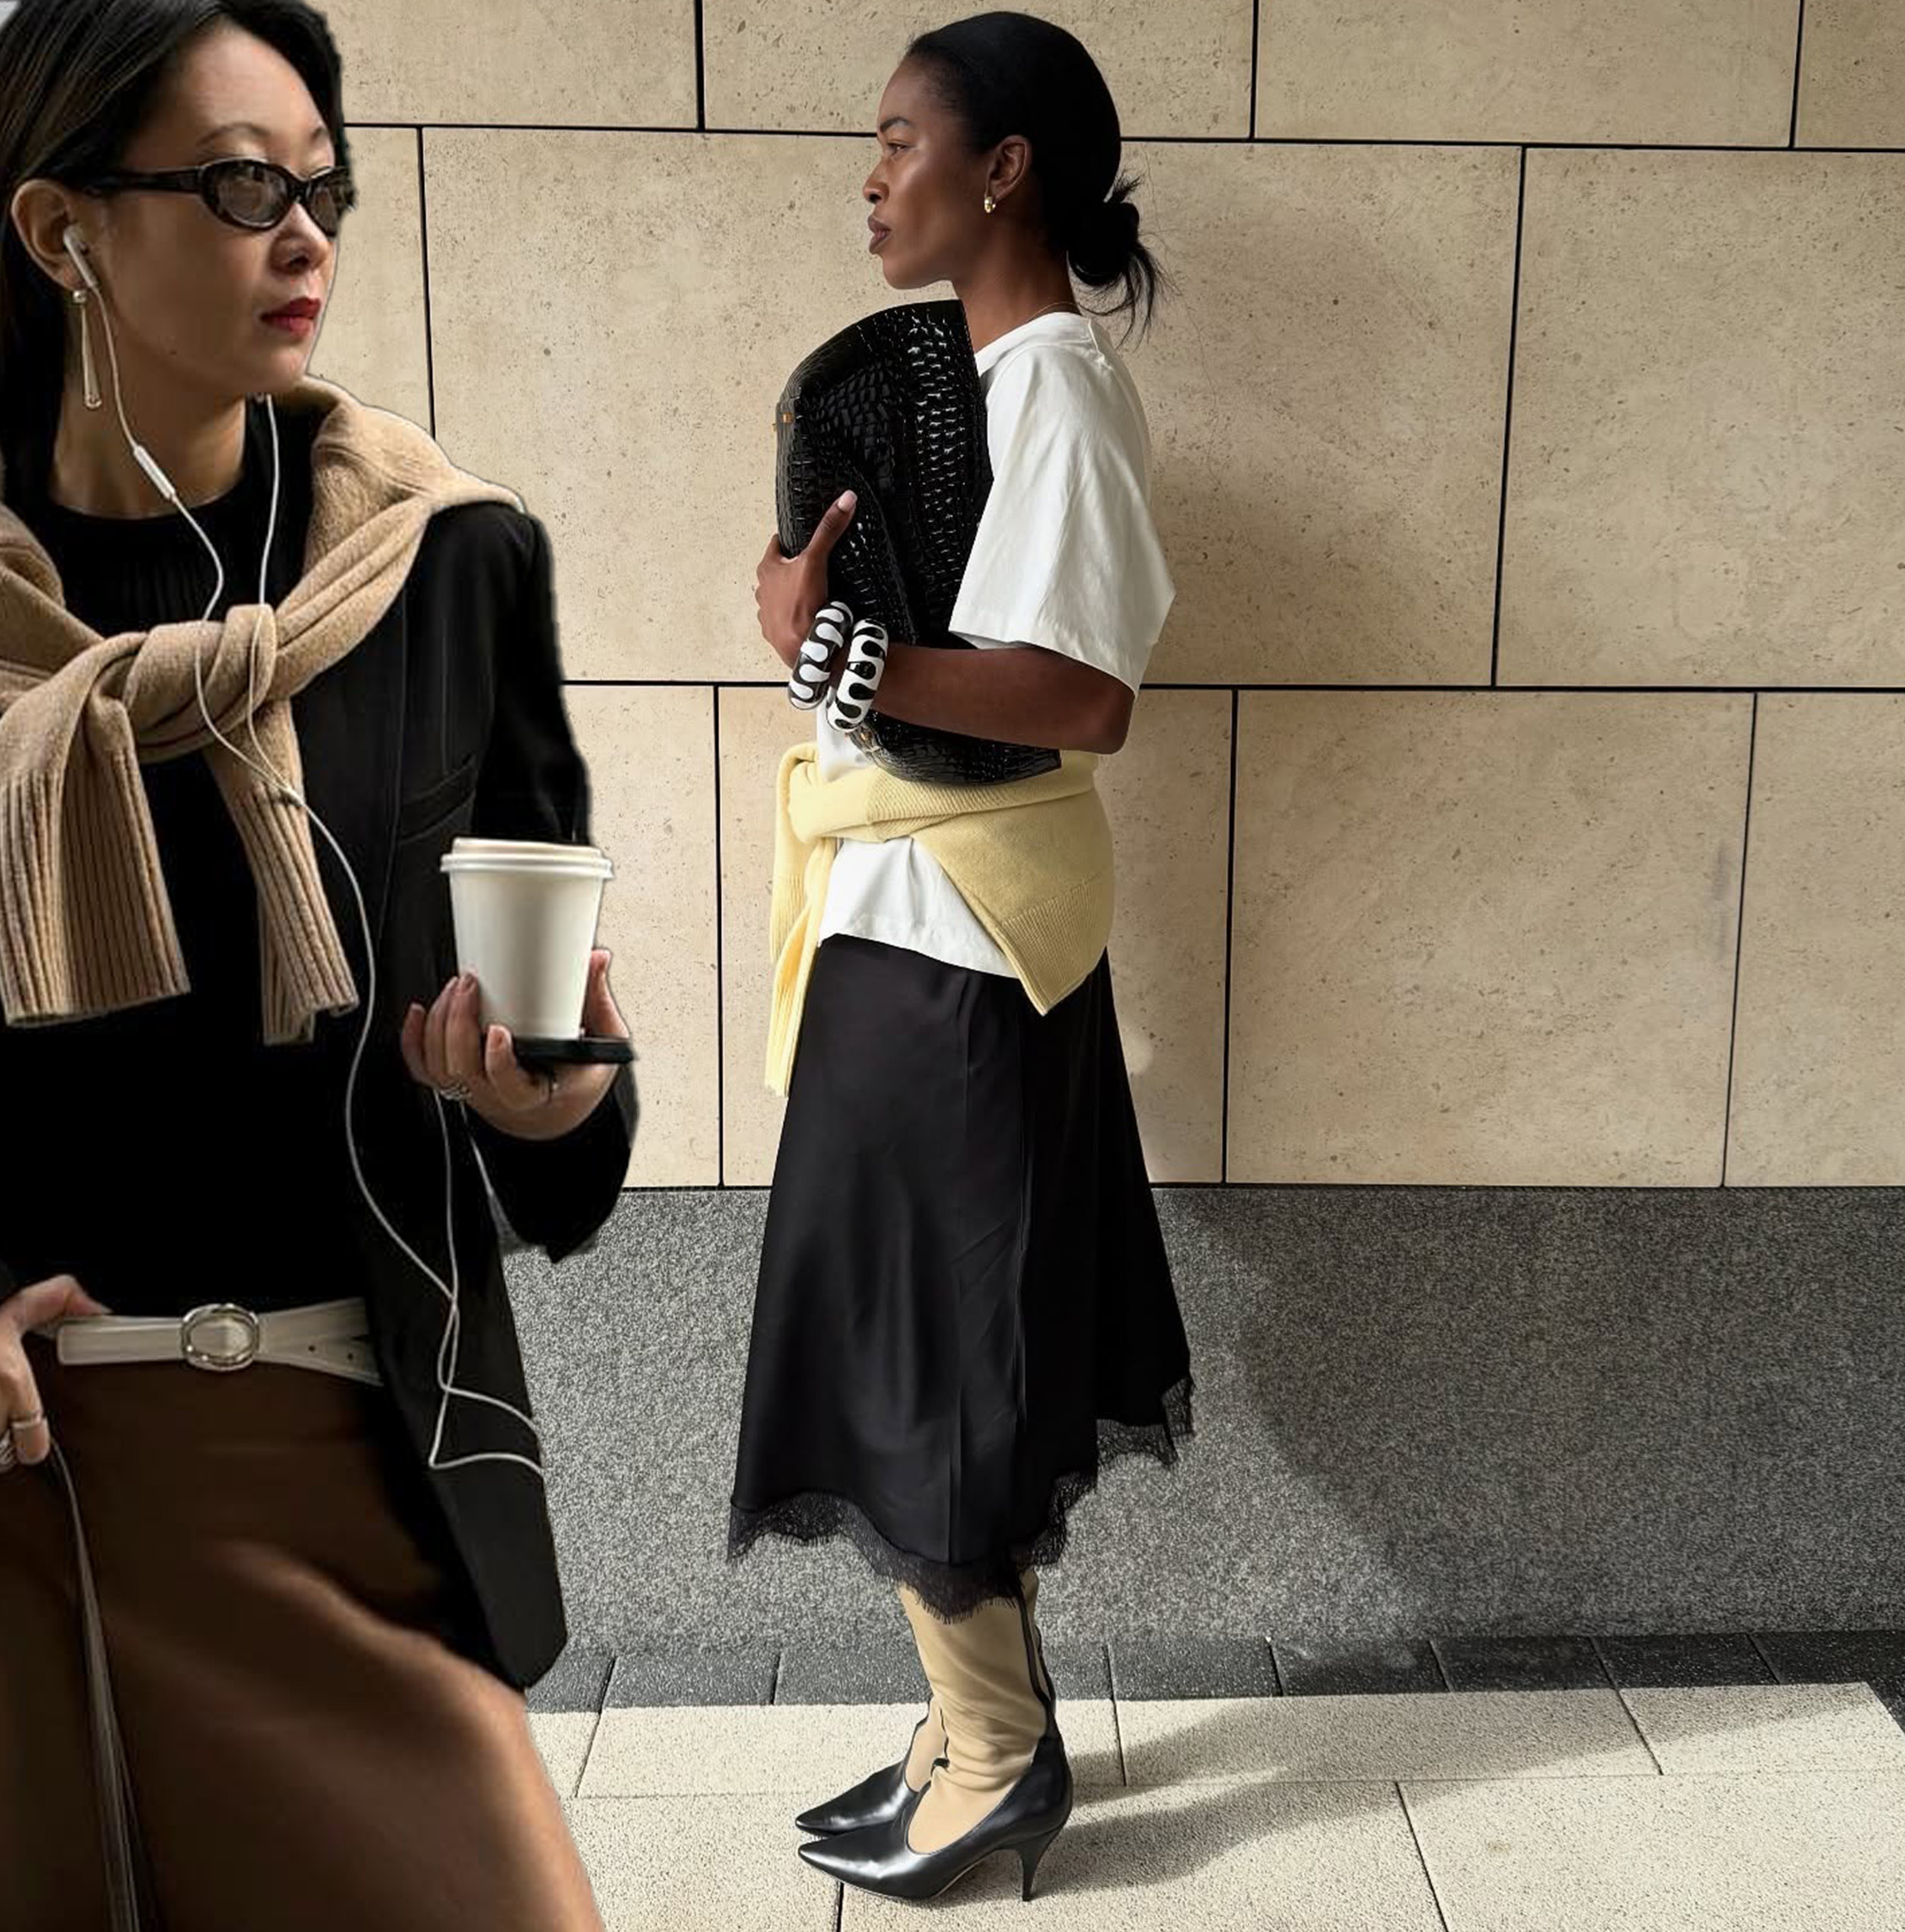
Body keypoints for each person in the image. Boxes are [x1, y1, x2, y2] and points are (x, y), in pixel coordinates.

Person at [0, 3, 635, 1924]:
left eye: (320, 186)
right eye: (243, 183)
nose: (307, 234)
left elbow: (551, 1049)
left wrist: (558, 1094)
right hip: (26, 1489)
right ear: (60, 227)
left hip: (361, 1471)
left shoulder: (445, 572)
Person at [732, 9, 1192, 1905]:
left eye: (897, 138)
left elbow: (1078, 696)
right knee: (908, 1325)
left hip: (960, 940)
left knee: (924, 1341)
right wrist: (829, 642)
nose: (870, 173)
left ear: (1000, 167)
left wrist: (814, 640)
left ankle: (991, 1750)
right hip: (905, 911)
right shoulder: (977, 385)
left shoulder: (1051, 391)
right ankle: (966, 1720)